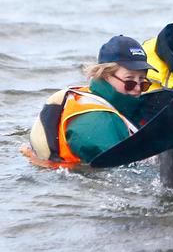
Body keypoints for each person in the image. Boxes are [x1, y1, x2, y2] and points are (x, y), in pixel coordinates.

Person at [28, 35, 156, 165]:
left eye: (143, 81)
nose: (138, 88)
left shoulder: (97, 98)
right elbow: (121, 173)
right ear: (105, 75)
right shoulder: (97, 123)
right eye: (130, 82)